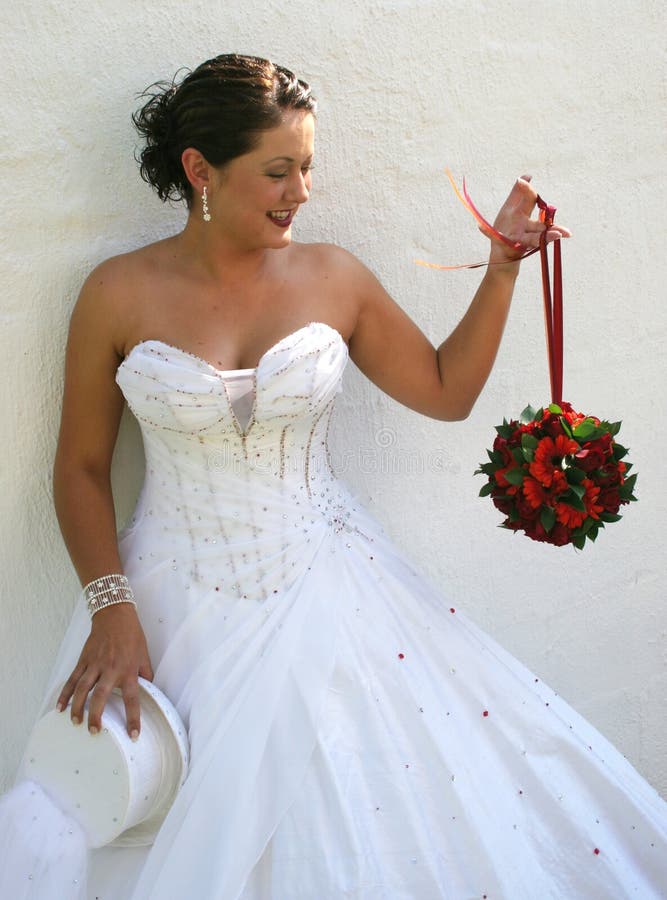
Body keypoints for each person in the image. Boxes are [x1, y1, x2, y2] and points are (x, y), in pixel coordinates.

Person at [9, 53, 667, 898]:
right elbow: (82, 467)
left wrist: (501, 269)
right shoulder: (116, 292)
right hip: (165, 605)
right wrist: (111, 606)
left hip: (330, 587)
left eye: (307, 167)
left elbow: (444, 391)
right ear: (199, 170)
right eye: (277, 171)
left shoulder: (333, 275)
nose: (301, 192)